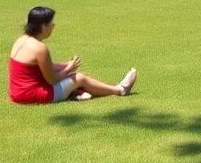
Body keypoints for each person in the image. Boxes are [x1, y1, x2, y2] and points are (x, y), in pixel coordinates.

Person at [8, 7, 137, 104]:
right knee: (78, 78)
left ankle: (75, 93)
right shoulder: (40, 48)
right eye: (51, 24)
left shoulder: (21, 40)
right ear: (43, 25)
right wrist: (69, 69)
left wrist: (65, 65)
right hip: (31, 95)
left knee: (69, 76)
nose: (53, 26)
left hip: (17, 93)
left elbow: (45, 67)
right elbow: (51, 80)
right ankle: (119, 90)